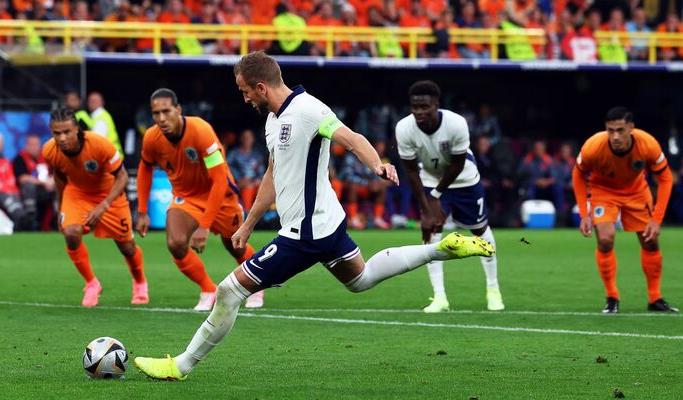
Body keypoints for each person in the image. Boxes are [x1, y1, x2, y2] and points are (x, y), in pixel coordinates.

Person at [133, 51, 494, 380]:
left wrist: (378, 165)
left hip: (305, 233)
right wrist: (247, 224)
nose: (244, 98)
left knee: (229, 290)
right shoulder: (273, 120)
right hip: (326, 224)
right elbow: (272, 174)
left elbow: (351, 138)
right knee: (361, 279)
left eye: (245, 91)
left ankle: (180, 366)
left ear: (260, 87)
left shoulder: (308, 109)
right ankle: (441, 248)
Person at [135, 88, 265, 310]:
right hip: (186, 197)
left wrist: (204, 226)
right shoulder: (151, 138)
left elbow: (219, 180)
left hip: (220, 195)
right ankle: (208, 289)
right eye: (156, 113)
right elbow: (145, 168)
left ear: (178, 109)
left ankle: (256, 285)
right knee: (175, 243)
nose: (161, 118)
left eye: (166, 111)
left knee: (235, 246)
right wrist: (142, 211)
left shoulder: (201, 131)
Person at [396, 80, 504, 313]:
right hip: (430, 179)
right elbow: (411, 171)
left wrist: (435, 195)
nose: (418, 112)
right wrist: (426, 208)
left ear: (436, 104)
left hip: (464, 178)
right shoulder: (404, 128)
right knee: (430, 232)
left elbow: (457, 164)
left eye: (424, 107)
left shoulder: (456, 124)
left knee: (479, 230)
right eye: (414, 107)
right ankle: (439, 296)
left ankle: (493, 288)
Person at [573, 107, 677, 313]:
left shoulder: (648, 144)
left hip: (637, 192)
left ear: (631, 128)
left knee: (650, 242)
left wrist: (657, 219)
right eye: (610, 130)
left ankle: (655, 298)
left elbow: (666, 178)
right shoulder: (593, 146)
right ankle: (612, 297)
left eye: (620, 130)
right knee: (605, 239)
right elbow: (578, 175)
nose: (615, 136)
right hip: (603, 191)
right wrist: (584, 214)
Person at [43, 107, 148, 307]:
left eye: (66, 132)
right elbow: (59, 177)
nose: (62, 138)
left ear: (77, 129)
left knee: (126, 247)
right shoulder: (49, 150)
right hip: (77, 193)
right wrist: (60, 207)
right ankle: (91, 283)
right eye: (57, 133)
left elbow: (122, 177)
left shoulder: (100, 144)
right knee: (70, 233)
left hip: (109, 195)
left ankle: (140, 281)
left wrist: (103, 205)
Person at [0, 132, 30, 229]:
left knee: (16, 195)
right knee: (6, 198)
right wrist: (5, 188)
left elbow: (11, 180)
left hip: (9, 191)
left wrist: (6, 188)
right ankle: (18, 217)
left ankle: (21, 219)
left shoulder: (6, 161)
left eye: (0, 144)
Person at [13, 134, 55, 230]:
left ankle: (58, 219)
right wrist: (43, 183)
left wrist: (51, 182)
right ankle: (31, 220)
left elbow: (55, 173)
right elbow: (22, 178)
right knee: (29, 186)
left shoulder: (46, 157)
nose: (34, 147)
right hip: (28, 192)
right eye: (31, 144)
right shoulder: (20, 158)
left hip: (46, 190)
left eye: (36, 144)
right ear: (26, 145)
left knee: (59, 187)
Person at [226, 128, 266, 210]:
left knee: (263, 188)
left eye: (249, 137)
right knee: (248, 187)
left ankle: (263, 213)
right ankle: (247, 213)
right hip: (239, 184)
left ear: (253, 139)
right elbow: (227, 167)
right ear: (241, 139)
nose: (247, 140)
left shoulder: (257, 155)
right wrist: (238, 179)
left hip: (255, 183)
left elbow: (261, 170)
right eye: (244, 137)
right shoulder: (233, 154)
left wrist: (258, 180)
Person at [87, 91, 123, 156]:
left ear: (102, 102)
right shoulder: (102, 115)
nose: (91, 103)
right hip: (113, 156)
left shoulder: (100, 119)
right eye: (90, 101)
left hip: (111, 157)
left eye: (93, 101)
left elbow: (96, 143)